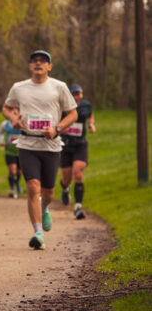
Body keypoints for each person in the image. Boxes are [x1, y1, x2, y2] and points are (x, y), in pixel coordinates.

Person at [1, 50, 77, 251]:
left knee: (49, 192)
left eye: (43, 61)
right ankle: (38, 233)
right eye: (34, 61)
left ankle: (44, 208)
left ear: (49, 67)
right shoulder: (19, 87)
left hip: (51, 145)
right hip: (27, 144)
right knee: (33, 187)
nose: (38, 64)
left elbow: (73, 114)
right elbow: (6, 108)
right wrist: (14, 119)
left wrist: (57, 128)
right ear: (30, 66)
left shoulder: (59, 87)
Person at [59, 84, 96, 220]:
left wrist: (91, 124)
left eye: (78, 93)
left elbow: (90, 116)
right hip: (66, 145)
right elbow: (56, 123)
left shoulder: (86, 105)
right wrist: (61, 129)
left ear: (81, 94)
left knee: (78, 174)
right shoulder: (62, 107)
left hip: (80, 144)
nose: (76, 96)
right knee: (66, 177)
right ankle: (64, 188)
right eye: (73, 94)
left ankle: (78, 207)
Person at [0, 118, 23, 198]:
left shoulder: (23, 123)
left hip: (21, 151)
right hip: (9, 151)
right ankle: (12, 189)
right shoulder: (5, 124)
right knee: (12, 170)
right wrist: (1, 141)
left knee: (19, 172)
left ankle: (16, 183)